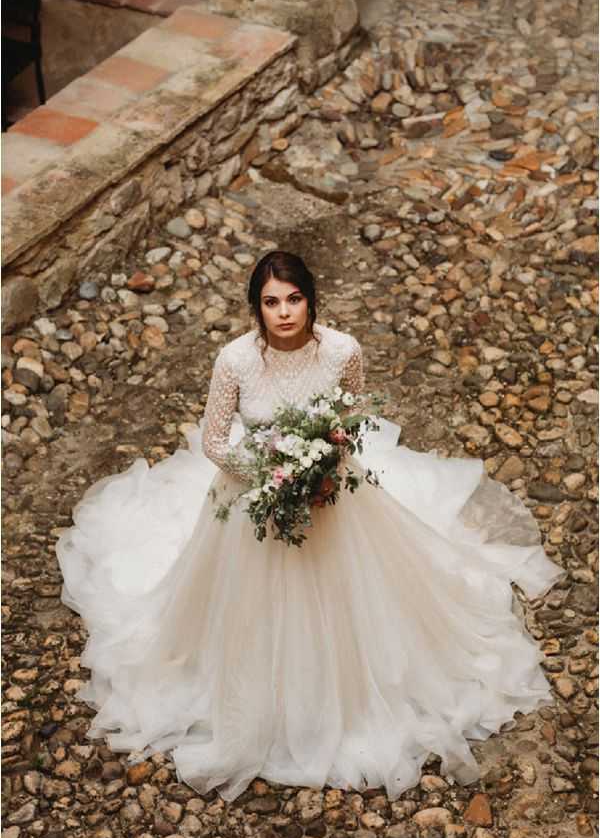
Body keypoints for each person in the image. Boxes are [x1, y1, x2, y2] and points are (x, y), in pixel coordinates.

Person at [56, 250, 564, 803]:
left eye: (293, 299)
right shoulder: (235, 361)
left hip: (331, 495)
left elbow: (351, 418)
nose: (284, 312)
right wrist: (272, 477)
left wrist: (323, 470)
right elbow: (215, 441)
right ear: (256, 309)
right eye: (271, 302)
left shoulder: (343, 350)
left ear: (311, 300)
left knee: (355, 598)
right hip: (254, 499)